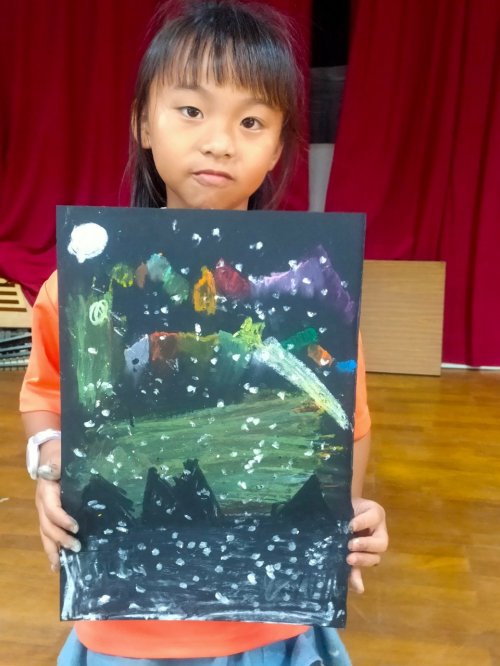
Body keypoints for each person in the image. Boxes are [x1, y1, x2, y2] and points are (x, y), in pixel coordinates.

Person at [20, 1, 388, 664]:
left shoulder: (319, 309)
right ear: (143, 122)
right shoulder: (76, 289)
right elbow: (45, 398)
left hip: (269, 627)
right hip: (124, 624)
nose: (220, 141)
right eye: (191, 110)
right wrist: (50, 469)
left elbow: (343, 428)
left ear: (278, 148)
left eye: (251, 121)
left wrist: (353, 520)